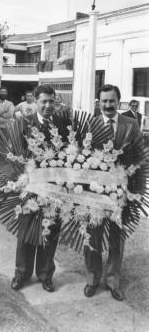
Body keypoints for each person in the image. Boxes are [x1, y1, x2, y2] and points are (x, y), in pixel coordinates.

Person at [84, 84, 143, 301]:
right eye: (104, 101)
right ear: (98, 102)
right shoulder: (91, 124)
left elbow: (139, 156)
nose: (108, 105)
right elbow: (81, 156)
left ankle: (112, 280)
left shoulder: (131, 124)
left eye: (112, 101)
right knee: (93, 236)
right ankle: (92, 279)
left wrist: (134, 190)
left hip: (121, 193)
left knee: (117, 239)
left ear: (119, 102)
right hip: (95, 193)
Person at [11, 84, 62, 293]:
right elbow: (16, 154)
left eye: (51, 101)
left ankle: (45, 274)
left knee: (50, 232)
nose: (48, 106)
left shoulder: (63, 125)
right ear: (36, 102)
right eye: (44, 101)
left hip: (55, 190)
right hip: (30, 189)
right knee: (25, 233)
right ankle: (21, 274)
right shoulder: (24, 124)